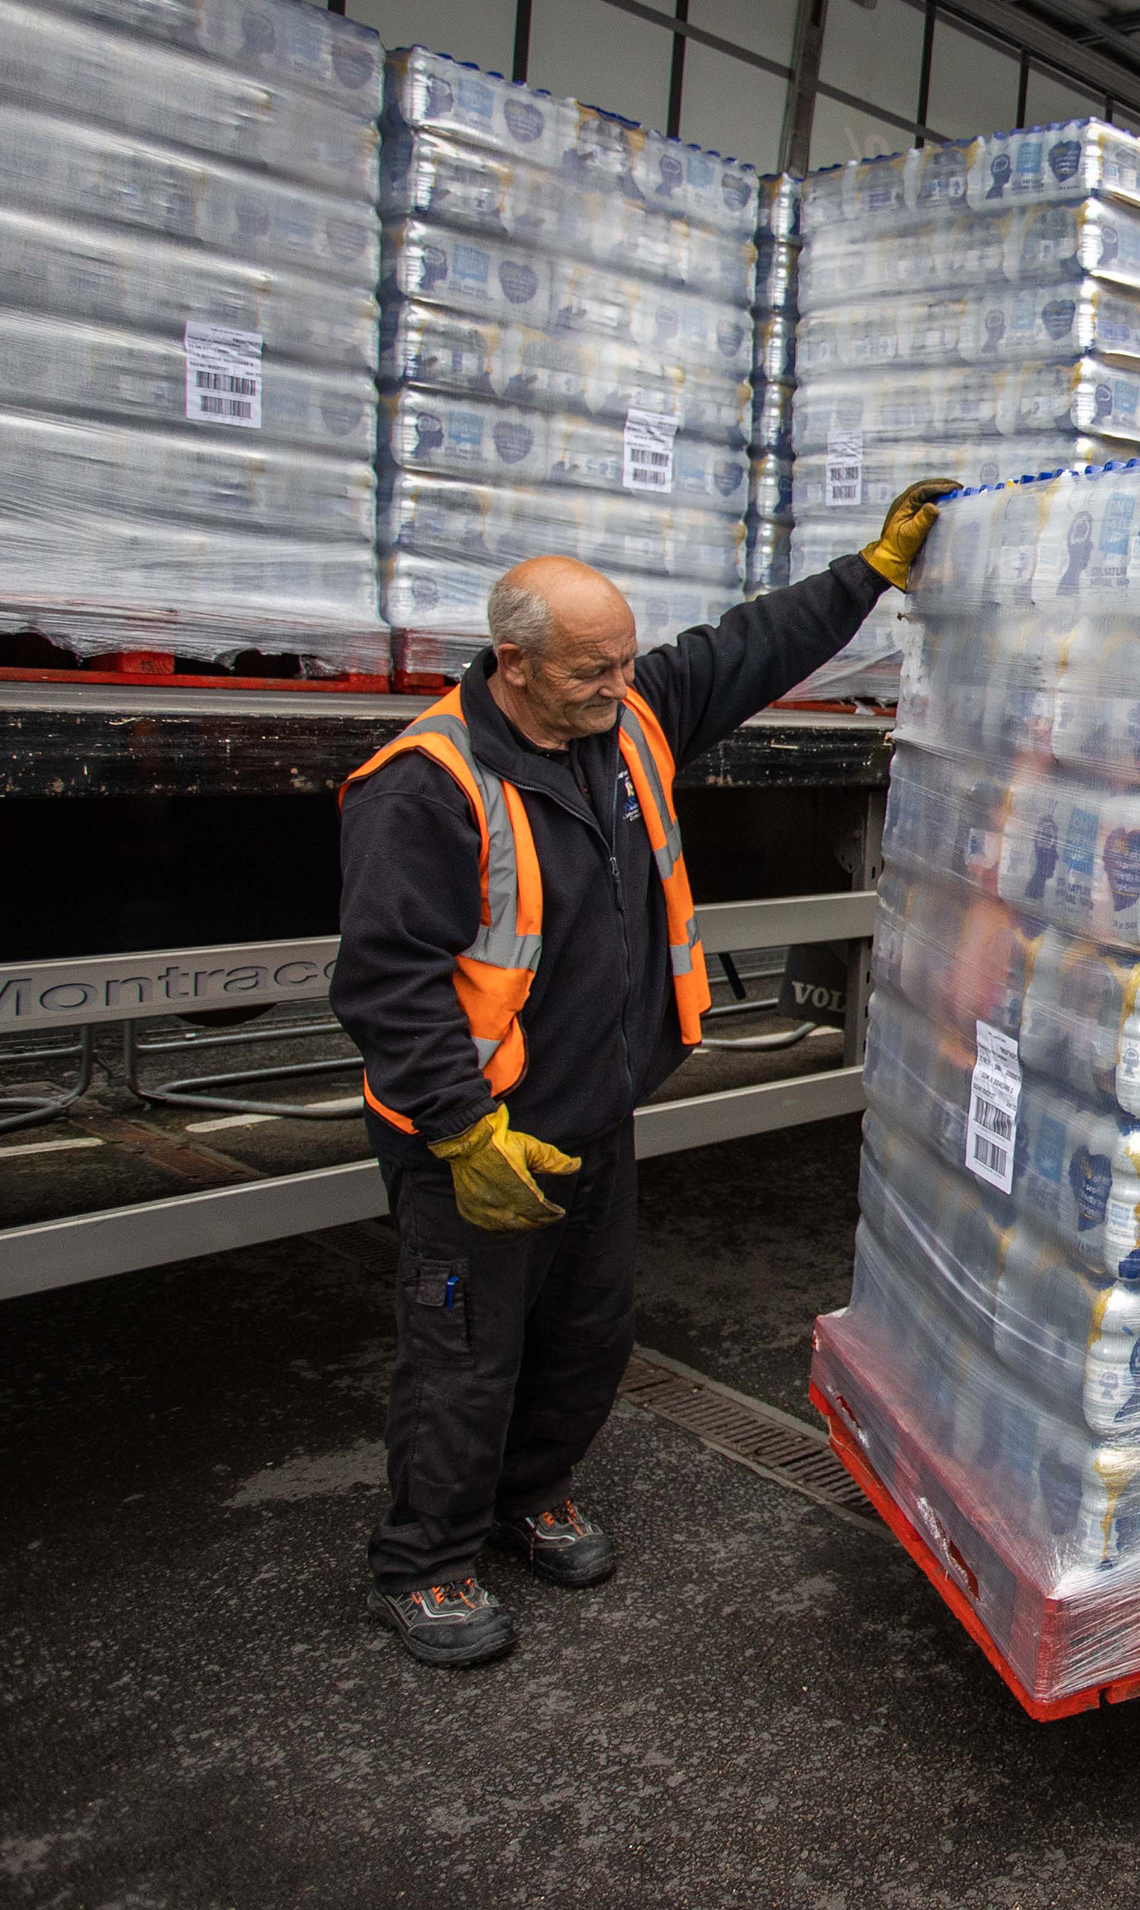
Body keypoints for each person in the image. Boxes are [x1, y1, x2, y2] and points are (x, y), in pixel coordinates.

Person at [332, 479, 957, 1668]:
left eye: (624, 665)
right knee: (465, 1356)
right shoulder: (428, 782)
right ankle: (425, 1561)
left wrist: (870, 570)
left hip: (595, 1112)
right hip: (477, 1135)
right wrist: (465, 1134)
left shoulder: (627, 726)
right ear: (513, 664)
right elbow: (386, 984)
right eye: (590, 671)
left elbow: (745, 649)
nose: (620, 687)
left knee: (585, 1331)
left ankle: (532, 1495)